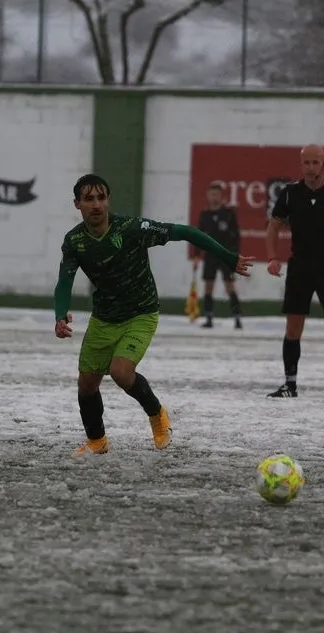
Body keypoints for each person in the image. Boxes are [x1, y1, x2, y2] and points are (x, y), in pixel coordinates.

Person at [55, 173, 252, 456]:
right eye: (89, 199)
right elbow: (64, 281)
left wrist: (228, 257)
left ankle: (157, 414)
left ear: (108, 200)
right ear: (77, 204)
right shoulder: (74, 241)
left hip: (141, 312)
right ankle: (97, 441)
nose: (96, 204)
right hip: (104, 317)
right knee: (86, 385)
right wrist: (60, 314)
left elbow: (184, 232)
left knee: (121, 372)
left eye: (101, 197)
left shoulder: (132, 228)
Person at [264, 144, 324, 400]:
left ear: (323, 164)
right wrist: (273, 257)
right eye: (306, 162)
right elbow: (273, 227)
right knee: (294, 326)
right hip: (300, 266)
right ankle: (290, 384)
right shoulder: (289, 194)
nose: (310, 167)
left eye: (315, 162)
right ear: (301, 165)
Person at [192, 181, 243, 329]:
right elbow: (198, 236)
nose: (214, 197)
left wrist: (235, 256)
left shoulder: (228, 214)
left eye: (217, 195)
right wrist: (196, 255)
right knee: (208, 285)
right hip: (210, 255)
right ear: (208, 196)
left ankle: (237, 318)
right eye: (212, 194)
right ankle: (208, 318)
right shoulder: (205, 215)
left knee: (229, 286)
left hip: (225, 255)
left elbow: (236, 236)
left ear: (222, 196)